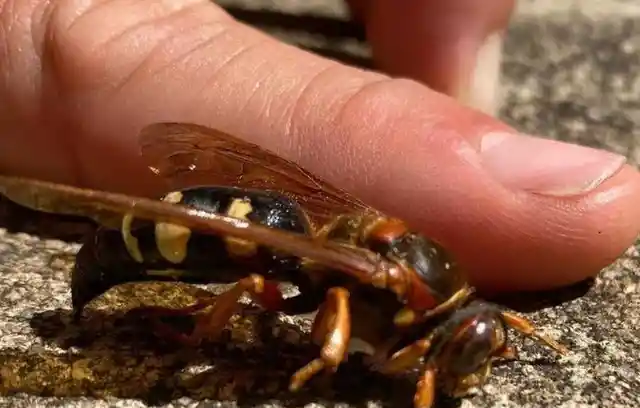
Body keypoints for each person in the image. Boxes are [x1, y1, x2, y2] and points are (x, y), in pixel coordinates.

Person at [0, 0, 638, 293]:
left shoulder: (370, 239)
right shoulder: (353, 268)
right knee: (257, 273)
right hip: (188, 231)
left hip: (265, 225)